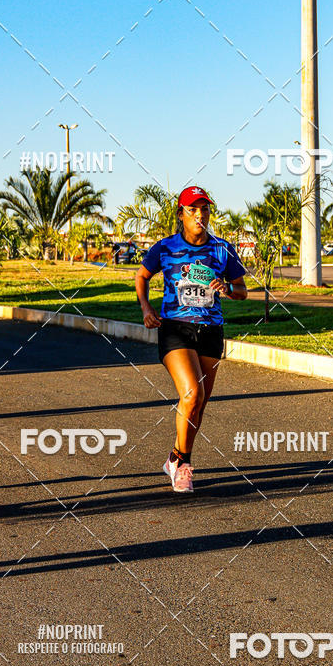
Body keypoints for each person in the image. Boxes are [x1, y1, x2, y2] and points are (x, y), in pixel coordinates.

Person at [135, 187, 247, 493]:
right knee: (192, 395)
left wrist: (225, 288)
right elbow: (142, 276)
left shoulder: (223, 250)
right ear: (181, 214)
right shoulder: (165, 248)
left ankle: (175, 457)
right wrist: (147, 308)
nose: (200, 215)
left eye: (205, 209)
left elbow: (241, 290)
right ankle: (183, 466)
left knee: (198, 406)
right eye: (193, 210)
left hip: (211, 332)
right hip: (175, 329)